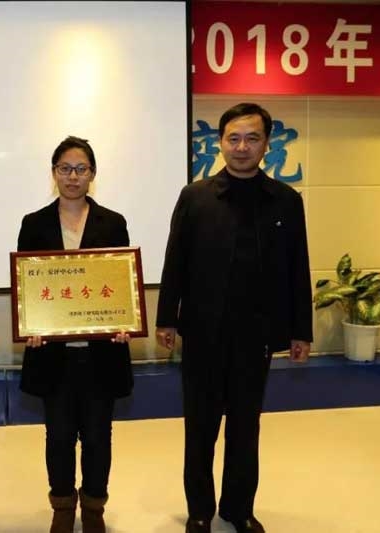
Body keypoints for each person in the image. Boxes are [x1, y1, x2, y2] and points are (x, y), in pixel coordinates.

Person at [155, 103, 312, 533]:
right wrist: (167, 318)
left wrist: (301, 330)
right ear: (220, 142)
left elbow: (298, 267)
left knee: (245, 427)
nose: (242, 147)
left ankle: (238, 509)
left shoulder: (285, 201)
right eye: (234, 138)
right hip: (203, 332)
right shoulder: (196, 196)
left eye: (252, 138)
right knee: (200, 427)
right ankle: (200, 510)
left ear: (266, 144)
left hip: (256, 334)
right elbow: (175, 261)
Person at [17, 136, 133, 533]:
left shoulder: (113, 223)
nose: (72, 176)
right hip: (54, 354)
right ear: (54, 173)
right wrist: (30, 325)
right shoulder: (33, 224)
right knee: (59, 436)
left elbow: (120, 282)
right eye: (65, 168)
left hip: (102, 353)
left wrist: (124, 320)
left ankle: (95, 507)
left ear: (92, 174)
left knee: (99, 436)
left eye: (81, 169)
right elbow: (28, 286)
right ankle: (63, 506)